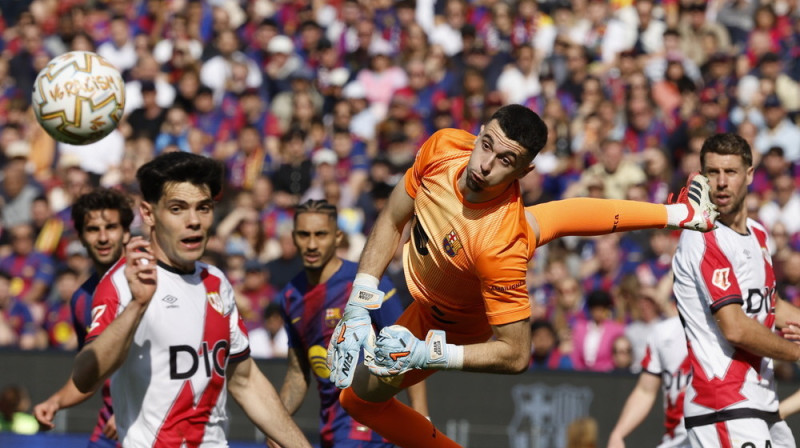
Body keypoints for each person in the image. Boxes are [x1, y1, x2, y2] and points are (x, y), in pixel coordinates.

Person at [326, 104, 718, 447]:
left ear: (525, 171)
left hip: (450, 322)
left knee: (358, 400)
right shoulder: (443, 146)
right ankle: (680, 213)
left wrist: (428, 352)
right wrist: (359, 300)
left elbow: (515, 355)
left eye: (506, 161)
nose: (485, 165)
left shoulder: (500, 245)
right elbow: (393, 217)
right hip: (451, 275)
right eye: (487, 145)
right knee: (554, 217)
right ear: (478, 133)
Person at [69, 152, 310, 447]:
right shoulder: (121, 284)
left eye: (203, 208)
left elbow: (245, 380)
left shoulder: (216, 281)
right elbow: (84, 377)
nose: (193, 221)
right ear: (148, 213)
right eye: (177, 208)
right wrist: (136, 307)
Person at [672, 132, 800, 448]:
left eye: (730, 172)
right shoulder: (702, 237)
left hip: (762, 402)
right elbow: (736, 328)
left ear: (750, 175)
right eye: (712, 173)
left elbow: (772, 304)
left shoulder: (757, 232)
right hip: (723, 404)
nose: (721, 182)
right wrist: (797, 352)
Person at [276, 199, 428, 447]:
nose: (312, 244)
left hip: (374, 428)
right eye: (304, 235)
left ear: (337, 237)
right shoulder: (291, 296)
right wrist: (277, 423)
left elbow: (409, 350)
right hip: (333, 431)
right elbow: (297, 373)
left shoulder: (366, 282)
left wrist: (423, 424)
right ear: (293, 237)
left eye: (320, 234)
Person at [34, 188, 134, 447]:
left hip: (161, 424)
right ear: (80, 236)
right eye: (92, 229)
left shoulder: (152, 282)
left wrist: (142, 409)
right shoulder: (81, 300)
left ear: (126, 233)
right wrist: (55, 401)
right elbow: (92, 372)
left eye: (111, 227)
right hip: (110, 431)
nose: (102, 237)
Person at [607, 307, 691, 448]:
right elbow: (645, 390)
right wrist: (618, 434)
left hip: (719, 438)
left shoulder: (730, 327)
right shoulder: (663, 332)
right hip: (676, 441)